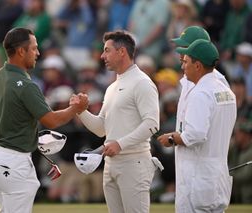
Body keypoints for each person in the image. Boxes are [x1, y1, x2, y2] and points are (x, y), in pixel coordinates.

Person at [0, 27, 88, 213]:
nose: (38, 53)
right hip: (12, 160)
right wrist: (76, 108)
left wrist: (8, 126)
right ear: (21, 51)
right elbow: (52, 121)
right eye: (34, 48)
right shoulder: (28, 86)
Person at [72, 30, 160, 213]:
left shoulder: (142, 82)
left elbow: (152, 123)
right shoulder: (112, 87)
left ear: (122, 52)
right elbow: (101, 129)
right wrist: (81, 111)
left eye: (107, 50)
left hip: (134, 163)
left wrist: (120, 144)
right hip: (111, 164)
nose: (102, 56)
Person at [157, 39, 237, 212]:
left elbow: (196, 134)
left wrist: (171, 138)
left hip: (198, 179)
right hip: (217, 174)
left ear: (198, 65)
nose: (183, 66)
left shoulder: (200, 93)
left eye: (186, 62)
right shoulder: (227, 91)